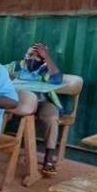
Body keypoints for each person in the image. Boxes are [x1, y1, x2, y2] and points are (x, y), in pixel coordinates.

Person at [5, 43, 63, 175]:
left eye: (38, 57)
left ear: (43, 59)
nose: (32, 59)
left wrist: (47, 58)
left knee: (52, 117)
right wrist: (7, 76)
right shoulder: (17, 66)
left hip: (42, 102)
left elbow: (57, 80)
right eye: (30, 55)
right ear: (25, 55)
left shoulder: (45, 69)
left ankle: (48, 157)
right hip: (20, 102)